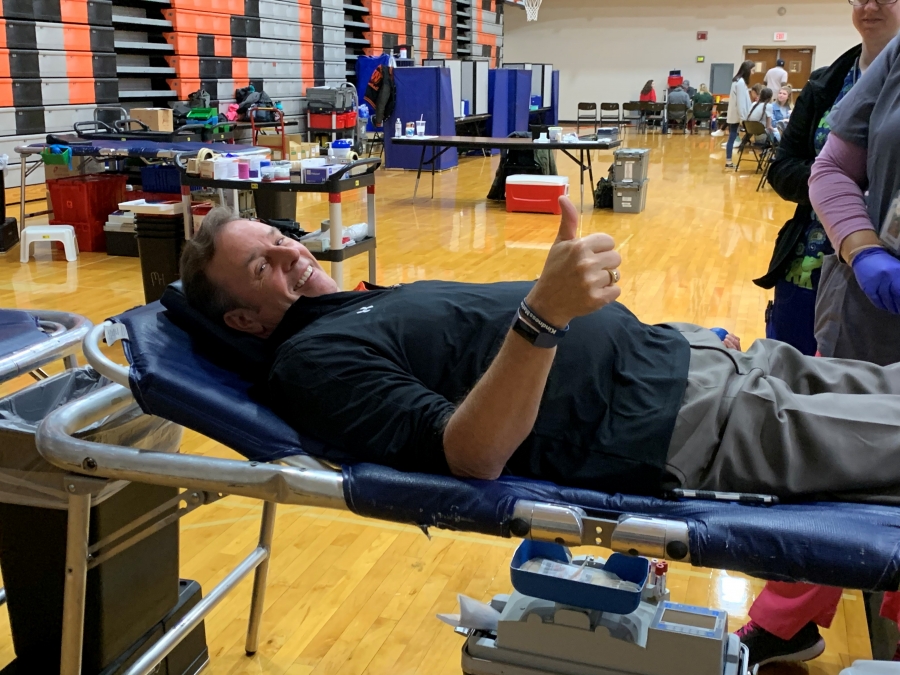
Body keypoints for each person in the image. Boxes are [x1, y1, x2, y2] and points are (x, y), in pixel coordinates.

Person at [180, 200, 900, 507]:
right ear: (244, 318)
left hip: (693, 362)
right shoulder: (311, 362)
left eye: (277, 238)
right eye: (261, 267)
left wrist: (680, 333)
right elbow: (469, 454)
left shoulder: (353, 303)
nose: (289, 253)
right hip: (686, 428)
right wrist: (544, 312)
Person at [743, 3, 900, 666]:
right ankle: (789, 619)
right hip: (857, 294)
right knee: (835, 455)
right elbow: (823, 168)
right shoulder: (871, 70)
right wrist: (865, 248)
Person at [725, 61, 754, 168]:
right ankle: (728, 161)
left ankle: (728, 161)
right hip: (737, 115)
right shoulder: (740, 82)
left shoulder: (737, 81)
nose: (753, 73)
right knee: (732, 137)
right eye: (752, 70)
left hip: (736, 114)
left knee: (732, 137)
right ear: (747, 70)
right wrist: (743, 118)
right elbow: (741, 102)